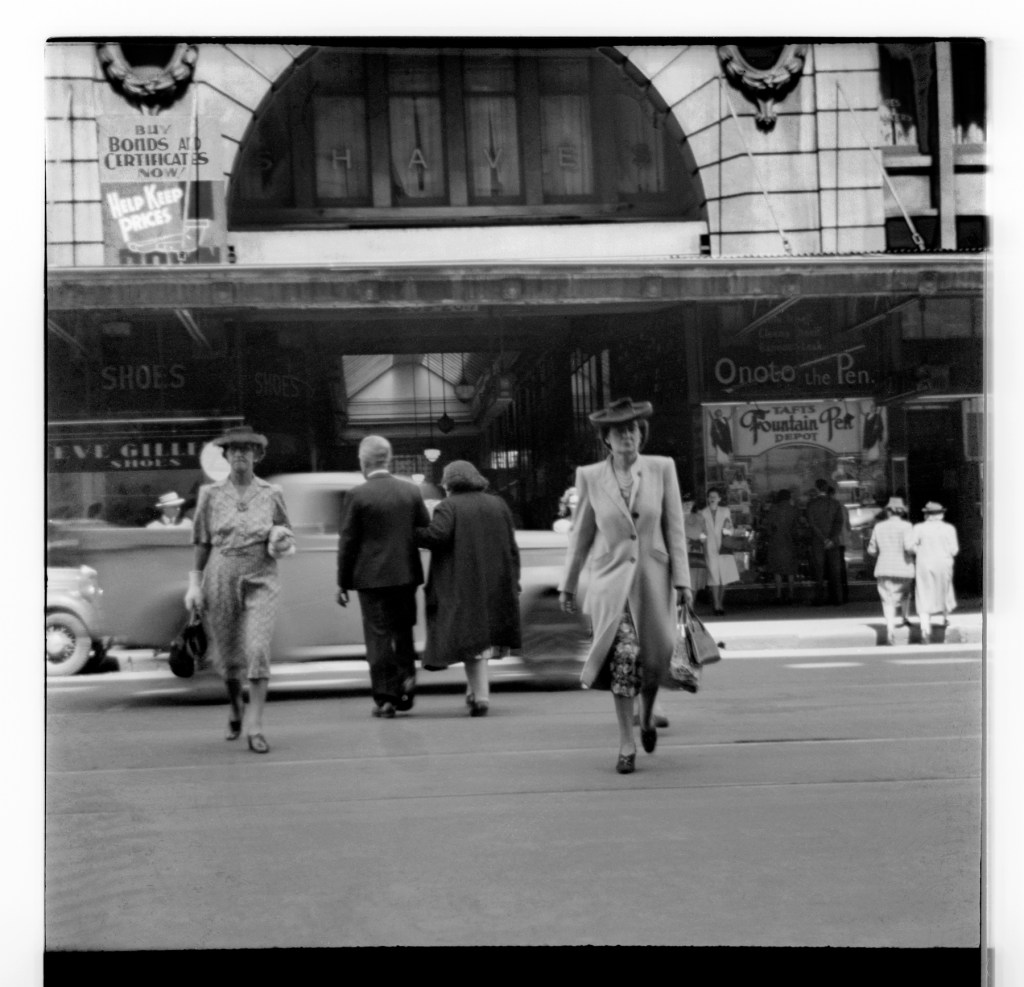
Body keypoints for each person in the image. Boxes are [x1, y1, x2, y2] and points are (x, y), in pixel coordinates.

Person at [558, 397, 692, 776]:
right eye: (619, 432)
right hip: (611, 583)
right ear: (606, 439)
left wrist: (683, 580)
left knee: (655, 659)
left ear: (641, 434)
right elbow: (581, 534)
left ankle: (646, 716)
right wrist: (568, 583)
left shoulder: (662, 468)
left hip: (653, 579)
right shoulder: (589, 476)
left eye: (632, 430)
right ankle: (625, 742)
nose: (627, 437)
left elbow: (674, 527)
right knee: (623, 660)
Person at [184, 425, 295, 754]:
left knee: (257, 648)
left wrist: (279, 536)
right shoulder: (210, 495)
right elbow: (202, 542)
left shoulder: (272, 492)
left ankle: (255, 725)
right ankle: (235, 706)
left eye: (247, 449)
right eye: (234, 449)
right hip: (221, 575)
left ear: (257, 455)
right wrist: (194, 584)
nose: (240, 454)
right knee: (229, 652)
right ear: (226, 456)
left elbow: (285, 529)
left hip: (262, 576)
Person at [415, 460, 521, 716]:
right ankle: (474, 692)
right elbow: (511, 546)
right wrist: (514, 580)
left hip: (463, 584)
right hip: (496, 581)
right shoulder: (498, 504)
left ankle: (481, 697)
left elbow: (437, 536)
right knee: (480, 639)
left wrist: (412, 531)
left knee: (471, 641)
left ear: (449, 483)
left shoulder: (448, 506)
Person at [336, 435, 430, 718]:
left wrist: (343, 583)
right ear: (388, 460)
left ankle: (387, 698)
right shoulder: (410, 491)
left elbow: (348, 542)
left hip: (371, 579)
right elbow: (424, 530)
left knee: (378, 637)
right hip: (405, 575)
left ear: (363, 461)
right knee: (403, 631)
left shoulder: (357, 495)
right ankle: (407, 681)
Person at [907, 501, 959, 643]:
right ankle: (946, 617)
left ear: (926, 515)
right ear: (941, 514)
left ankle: (925, 629)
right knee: (945, 590)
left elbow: (909, 546)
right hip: (943, 563)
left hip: (924, 563)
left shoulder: (918, 528)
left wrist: (920, 550)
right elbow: (954, 550)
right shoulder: (949, 529)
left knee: (923, 593)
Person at [865, 497, 915, 645]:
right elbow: (909, 548)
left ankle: (890, 629)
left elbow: (872, 550)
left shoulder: (879, 527)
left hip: (884, 567)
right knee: (905, 594)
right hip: (904, 568)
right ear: (902, 512)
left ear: (888, 512)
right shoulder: (907, 526)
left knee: (887, 600)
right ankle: (905, 618)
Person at [699, 486, 739, 616]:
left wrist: (728, 531)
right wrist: (702, 539)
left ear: (719, 499)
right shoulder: (703, 513)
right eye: (710, 497)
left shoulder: (725, 511)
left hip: (724, 547)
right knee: (714, 577)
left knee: (724, 577)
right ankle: (716, 604)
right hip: (709, 547)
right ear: (707, 498)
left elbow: (730, 528)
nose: (712, 499)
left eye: (714, 497)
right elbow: (701, 531)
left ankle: (720, 602)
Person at [806, 478, 844, 605]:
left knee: (819, 570)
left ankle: (819, 598)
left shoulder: (812, 504)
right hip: (833, 541)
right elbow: (839, 523)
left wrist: (823, 539)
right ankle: (837, 598)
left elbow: (812, 524)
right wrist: (831, 539)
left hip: (818, 541)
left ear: (817, 488)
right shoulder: (835, 503)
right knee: (835, 570)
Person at [765, 489, 799, 604]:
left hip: (776, 543)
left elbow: (768, 527)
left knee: (777, 569)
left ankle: (778, 595)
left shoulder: (773, 509)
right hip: (790, 542)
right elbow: (796, 527)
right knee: (790, 570)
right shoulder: (793, 509)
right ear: (789, 497)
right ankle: (791, 595)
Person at [834, 486, 851, 604]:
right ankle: (844, 593)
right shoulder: (843, 508)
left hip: (835, 540)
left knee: (835, 568)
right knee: (841, 566)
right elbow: (848, 526)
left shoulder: (833, 507)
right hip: (842, 540)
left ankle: (839, 594)